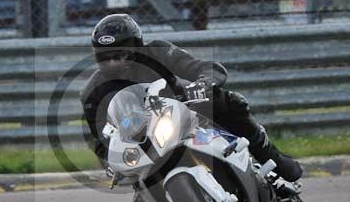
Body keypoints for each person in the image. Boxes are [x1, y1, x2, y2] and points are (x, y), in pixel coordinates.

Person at [80, 14, 303, 186]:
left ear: (137, 48)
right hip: (145, 142)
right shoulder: (93, 92)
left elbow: (202, 67)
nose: (112, 63)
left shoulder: (158, 52)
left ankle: (270, 155)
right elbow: (98, 139)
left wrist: (205, 83)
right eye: (105, 58)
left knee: (229, 102)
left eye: (120, 55)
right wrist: (109, 161)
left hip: (186, 115)